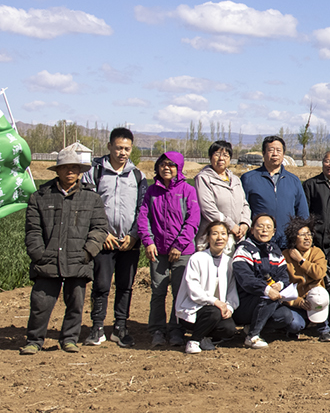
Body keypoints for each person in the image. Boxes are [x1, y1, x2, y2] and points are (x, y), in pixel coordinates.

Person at [21, 142, 107, 355]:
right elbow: (33, 231)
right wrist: (39, 255)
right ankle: (34, 341)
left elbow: (99, 229)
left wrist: (87, 252)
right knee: (40, 304)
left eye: (74, 168)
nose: (70, 171)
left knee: (75, 304)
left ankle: (69, 339)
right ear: (57, 170)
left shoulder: (92, 198)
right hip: (47, 261)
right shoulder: (40, 197)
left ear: (80, 171)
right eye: (65, 168)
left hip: (78, 260)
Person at [81, 127, 143, 348]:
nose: (122, 153)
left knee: (125, 286)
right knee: (101, 285)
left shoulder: (137, 175)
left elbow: (142, 209)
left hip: (129, 243)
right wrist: (102, 233)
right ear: (109, 146)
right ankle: (97, 327)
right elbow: (87, 205)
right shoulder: (95, 172)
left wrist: (134, 235)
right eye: (118, 148)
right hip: (104, 241)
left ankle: (120, 327)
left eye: (127, 149)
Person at [136, 150, 200, 348]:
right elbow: (143, 217)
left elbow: (193, 220)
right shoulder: (152, 191)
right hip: (158, 250)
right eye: (163, 164)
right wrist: (148, 241)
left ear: (178, 168)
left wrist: (179, 245)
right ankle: (157, 329)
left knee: (179, 292)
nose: (166, 168)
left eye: (171, 164)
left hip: (182, 251)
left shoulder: (188, 191)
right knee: (158, 291)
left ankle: (176, 329)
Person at [233, 212, 306, 347]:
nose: (264, 230)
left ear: (273, 232)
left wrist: (279, 285)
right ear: (252, 230)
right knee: (268, 297)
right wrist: (267, 290)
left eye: (268, 227)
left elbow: (283, 276)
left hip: (268, 302)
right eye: (260, 226)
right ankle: (252, 336)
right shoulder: (244, 250)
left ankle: (251, 328)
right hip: (244, 303)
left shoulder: (275, 251)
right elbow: (246, 280)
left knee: (285, 316)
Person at [174, 219, 238, 354]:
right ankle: (194, 341)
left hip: (218, 310)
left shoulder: (229, 262)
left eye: (223, 234)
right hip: (195, 308)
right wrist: (215, 302)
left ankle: (205, 337)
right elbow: (193, 288)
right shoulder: (197, 258)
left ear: (228, 237)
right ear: (208, 237)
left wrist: (229, 308)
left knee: (229, 329)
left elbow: (232, 290)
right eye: (215, 234)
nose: (219, 238)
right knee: (213, 313)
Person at [242, 135, 309, 244]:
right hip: (258, 241)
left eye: (278, 150)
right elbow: (242, 208)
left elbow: (302, 213)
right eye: (271, 150)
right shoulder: (249, 179)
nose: (275, 154)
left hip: (286, 242)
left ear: (283, 154)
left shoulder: (293, 181)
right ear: (263, 153)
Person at [282, 218, 330, 343]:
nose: (307, 238)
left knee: (318, 294)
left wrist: (301, 261)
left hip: (314, 298)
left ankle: (324, 330)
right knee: (295, 325)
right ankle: (297, 327)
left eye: (309, 234)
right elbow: (284, 285)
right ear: (293, 238)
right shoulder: (285, 256)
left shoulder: (317, 252)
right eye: (302, 235)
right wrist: (298, 302)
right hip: (296, 300)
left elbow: (318, 273)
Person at [195, 139, 249, 250]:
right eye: (217, 154)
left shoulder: (235, 179)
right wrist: (231, 225)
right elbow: (208, 209)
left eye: (225, 155)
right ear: (210, 157)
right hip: (214, 239)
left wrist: (245, 223)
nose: (221, 158)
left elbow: (244, 204)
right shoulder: (203, 178)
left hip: (236, 237)